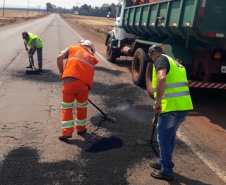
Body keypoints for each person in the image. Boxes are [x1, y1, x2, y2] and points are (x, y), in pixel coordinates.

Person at [148, 45, 193, 181]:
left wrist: (157, 103)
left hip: (171, 108)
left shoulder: (160, 60)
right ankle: (162, 161)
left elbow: (161, 78)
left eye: (151, 57)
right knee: (169, 137)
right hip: (182, 107)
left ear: (152, 55)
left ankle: (167, 171)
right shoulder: (175, 62)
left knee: (163, 139)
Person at [57, 40, 99, 141]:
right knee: (82, 107)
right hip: (84, 86)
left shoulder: (72, 48)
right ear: (91, 49)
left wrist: (61, 72)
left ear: (82, 44)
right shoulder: (92, 58)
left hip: (69, 83)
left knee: (67, 107)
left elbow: (59, 58)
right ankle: (81, 129)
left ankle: (66, 133)